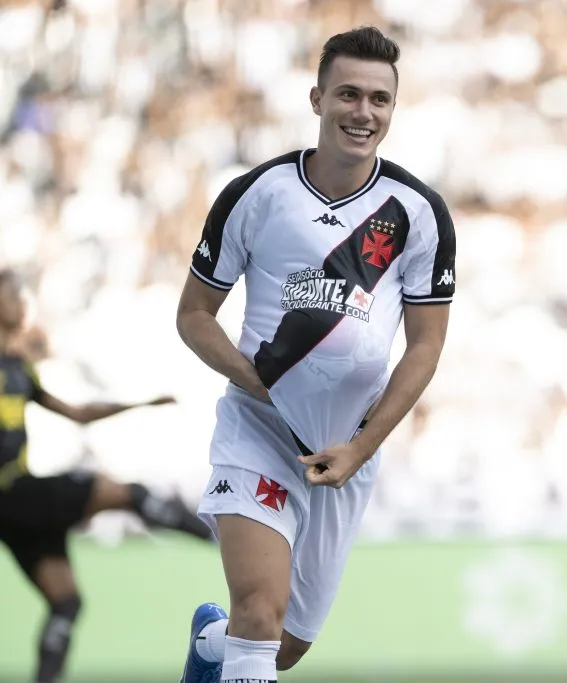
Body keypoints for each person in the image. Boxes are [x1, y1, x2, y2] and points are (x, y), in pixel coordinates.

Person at [175, 26, 455, 683]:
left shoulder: (417, 212)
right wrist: (254, 381)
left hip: (347, 452)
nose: (364, 113)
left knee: (287, 645)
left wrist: (360, 447)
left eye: (379, 100)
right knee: (260, 611)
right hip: (259, 433)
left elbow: (426, 346)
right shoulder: (258, 193)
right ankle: (234, 642)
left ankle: (209, 647)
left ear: (393, 108)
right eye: (349, 94)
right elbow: (193, 315)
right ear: (317, 98)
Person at [0, 269, 212, 683]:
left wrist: (141, 405)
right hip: (13, 492)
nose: (20, 302)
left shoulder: (20, 368)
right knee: (126, 493)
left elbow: (78, 415)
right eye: (9, 294)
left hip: (14, 511)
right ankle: (217, 536)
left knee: (65, 603)